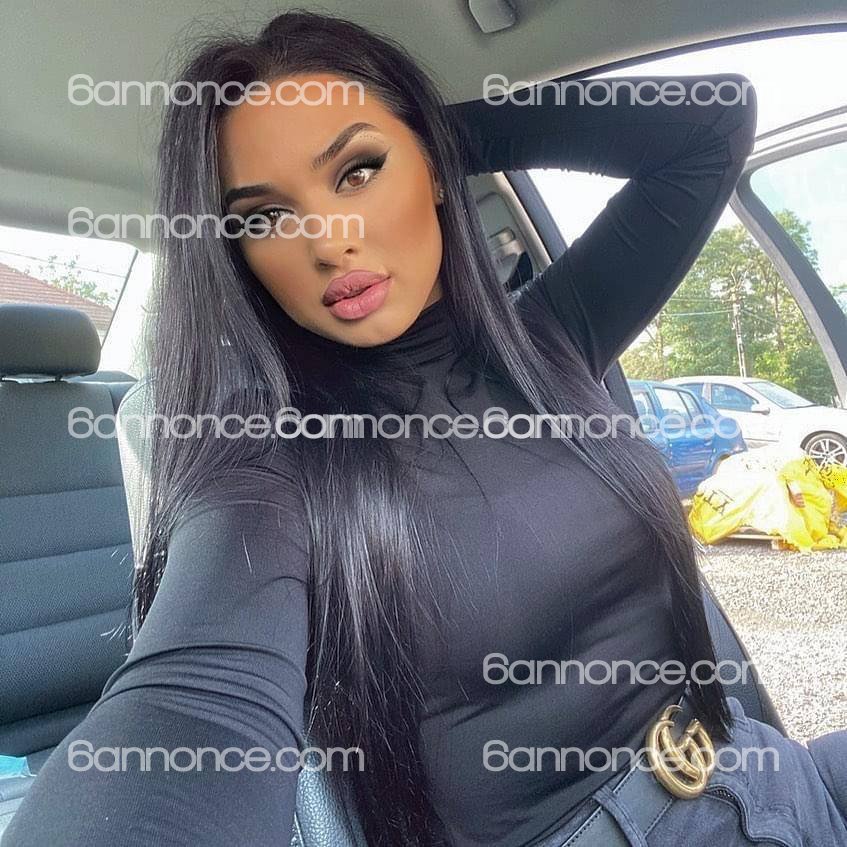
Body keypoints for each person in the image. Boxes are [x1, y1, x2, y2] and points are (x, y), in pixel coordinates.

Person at [4, 10, 846, 847]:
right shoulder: (263, 465)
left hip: (756, 771)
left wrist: (435, 134)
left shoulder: (547, 340)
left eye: (357, 170)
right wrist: (394, 150)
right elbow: (190, 703)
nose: (327, 242)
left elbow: (711, 123)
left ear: (435, 173)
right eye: (263, 217)